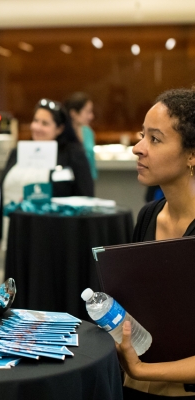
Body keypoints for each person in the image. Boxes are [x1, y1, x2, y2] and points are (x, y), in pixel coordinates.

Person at [117, 88, 195, 398]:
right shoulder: (148, 215)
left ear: (192, 155)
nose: (138, 148)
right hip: (138, 384)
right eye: (141, 136)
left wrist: (142, 370)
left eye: (155, 139)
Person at [0, 98, 94, 252]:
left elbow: (86, 196)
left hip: (57, 240)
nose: (37, 127)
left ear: (59, 129)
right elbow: (0, 192)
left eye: (45, 123)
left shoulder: (73, 155)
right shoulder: (18, 152)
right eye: (35, 121)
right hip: (15, 236)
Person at [64, 92, 98, 180]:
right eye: (87, 112)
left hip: (89, 180)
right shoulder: (63, 135)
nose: (91, 116)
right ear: (73, 113)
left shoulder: (88, 132)